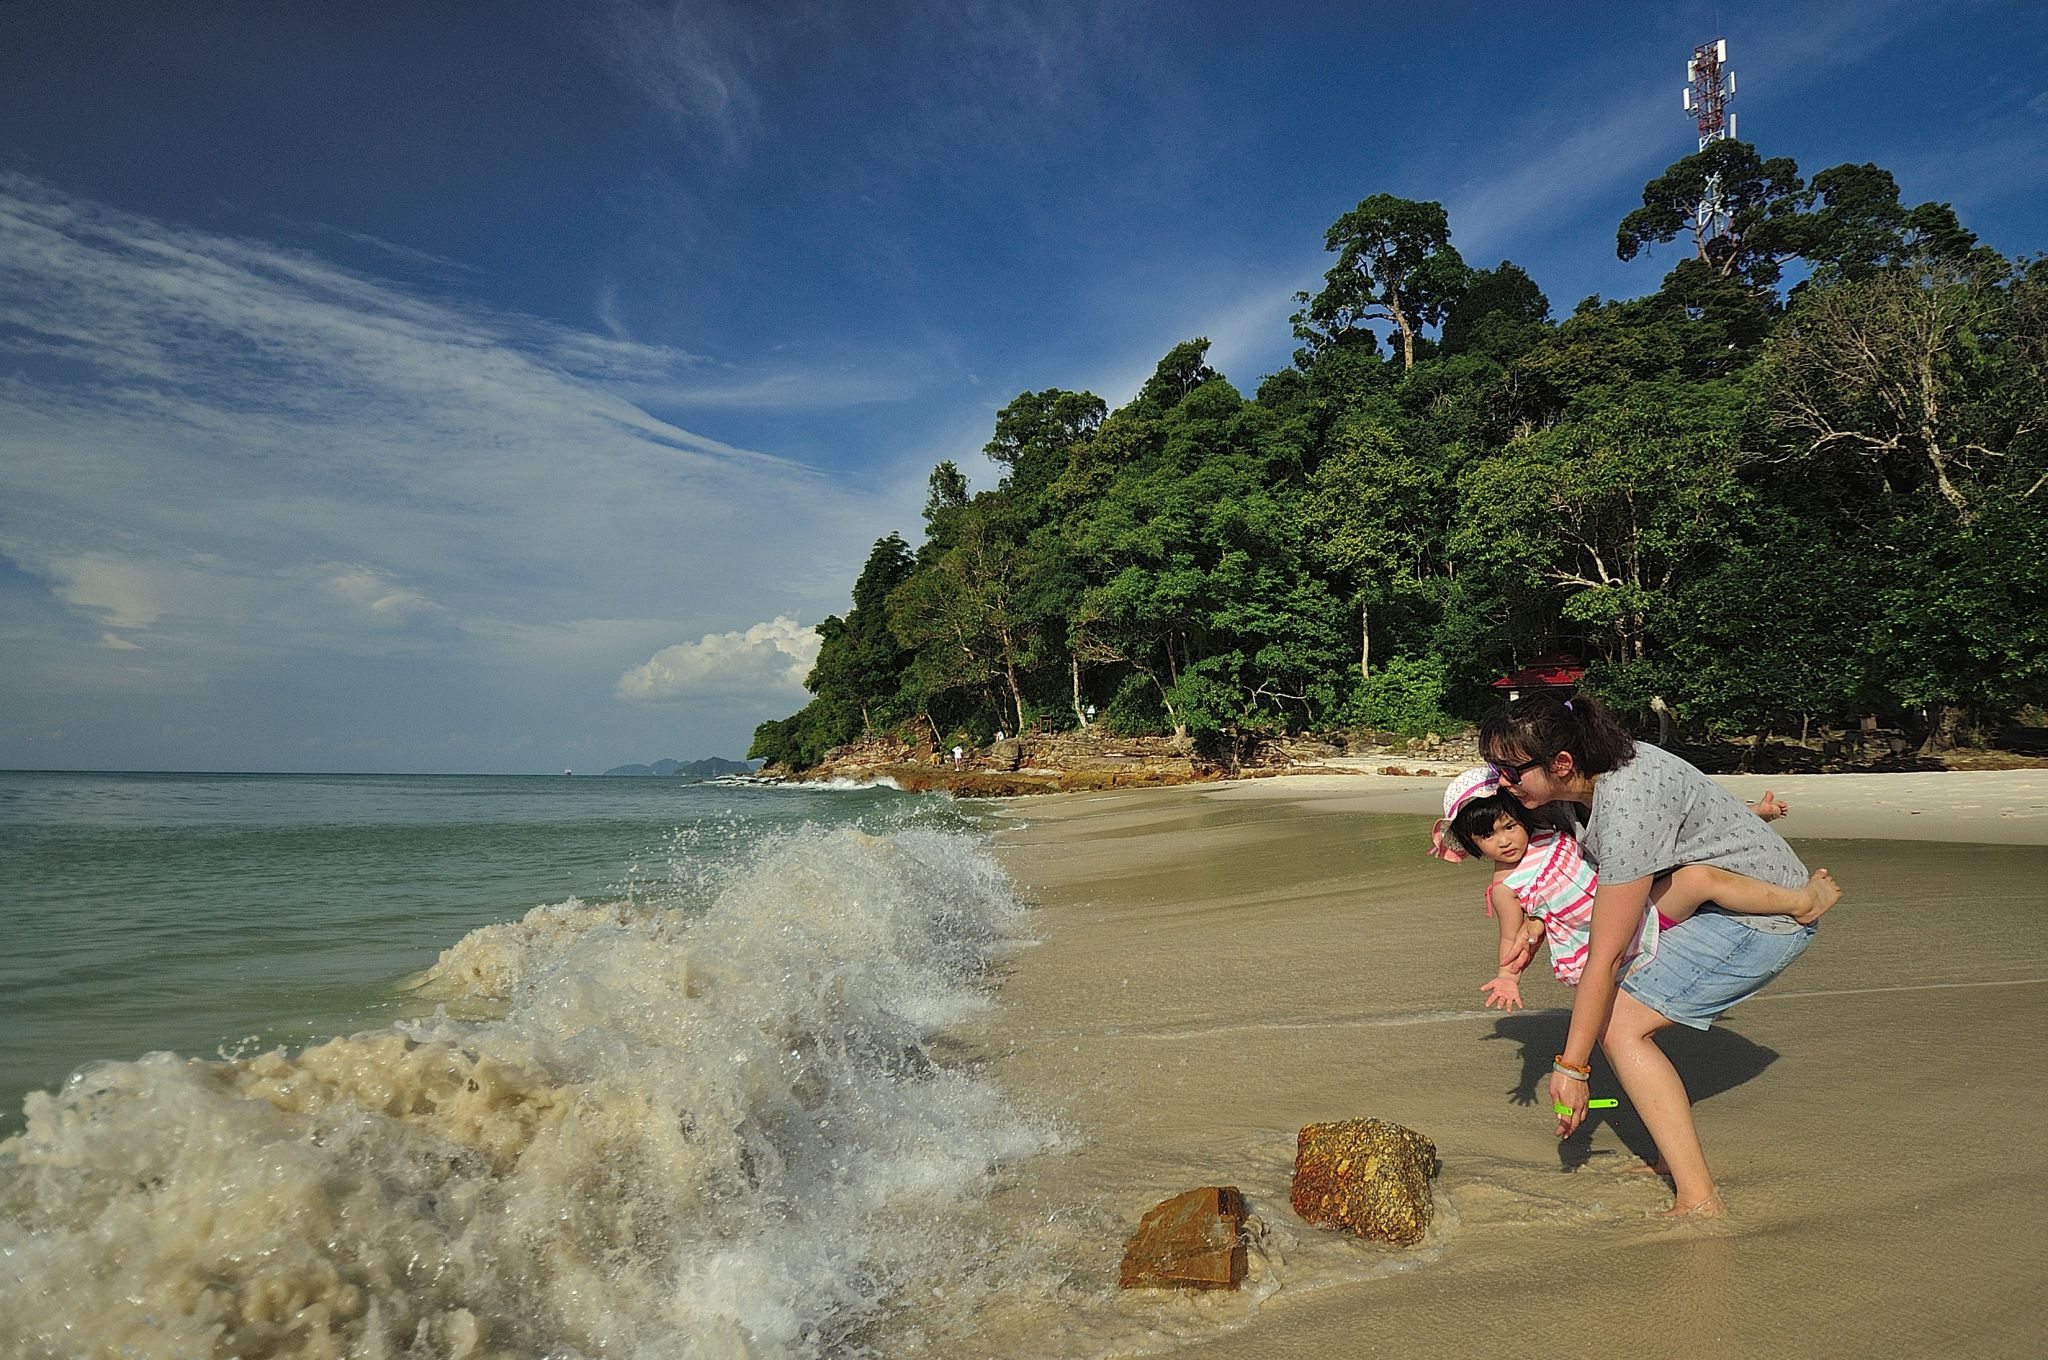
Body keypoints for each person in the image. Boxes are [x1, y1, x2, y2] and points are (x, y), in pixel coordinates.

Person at [1477, 690, 1842, 1218]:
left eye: (1510, 771)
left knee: (1618, 1028)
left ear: (1561, 763)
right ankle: (1673, 1158)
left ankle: (1699, 1200)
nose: (1502, 783)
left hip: (1761, 918)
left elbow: (1605, 954)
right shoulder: (1589, 775)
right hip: (1708, 892)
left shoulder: (1627, 809)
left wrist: (1573, 1067)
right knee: (1611, 1008)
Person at [1430, 768, 1839, 1012]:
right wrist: (1507, 976)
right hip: (1611, 940)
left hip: (1637, 902)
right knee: (1699, 881)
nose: (1503, 841)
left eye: (1507, 826)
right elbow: (1513, 937)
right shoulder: (1505, 886)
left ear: (1520, 816)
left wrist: (1754, 813)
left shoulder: (1547, 833)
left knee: (1693, 869)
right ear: (1471, 845)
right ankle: (1803, 902)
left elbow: (1662, 829)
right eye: (1487, 837)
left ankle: (1789, 891)